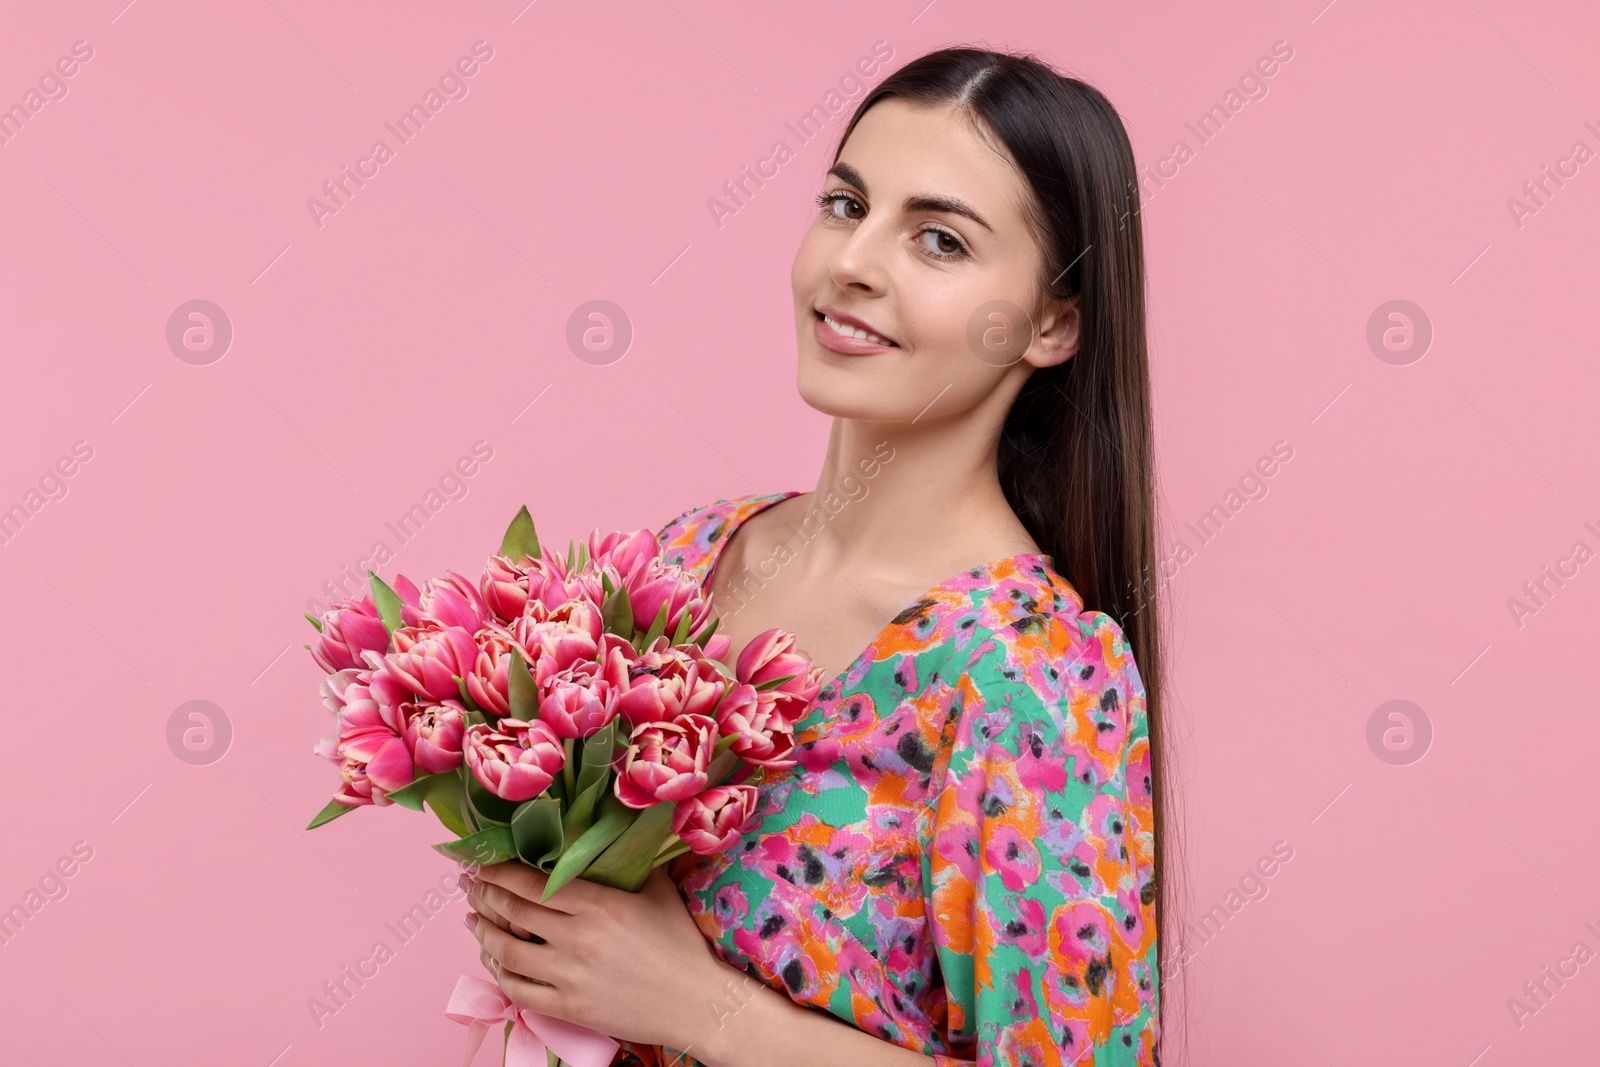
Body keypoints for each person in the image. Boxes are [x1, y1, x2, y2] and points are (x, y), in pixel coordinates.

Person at [461, 44, 1173, 1067]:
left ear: (1052, 323)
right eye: (846, 205)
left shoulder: (1031, 673)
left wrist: (702, 1009)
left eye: (937, 240)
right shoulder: (685, 561)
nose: (853, 263)